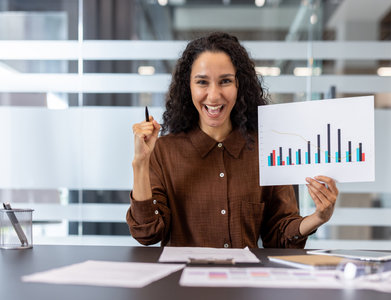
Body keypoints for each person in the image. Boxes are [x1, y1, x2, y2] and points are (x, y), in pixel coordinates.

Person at [126, 32, 338, 248]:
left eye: (225, 81)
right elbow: (147, 232)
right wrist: (140, 163)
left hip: (245, 279)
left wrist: (318, 217)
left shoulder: (266, 149)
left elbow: (280, 236)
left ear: (239, 85)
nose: (214, 95)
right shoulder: (163, 151)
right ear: (187, 86)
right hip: (182, 280)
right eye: (202, 82)